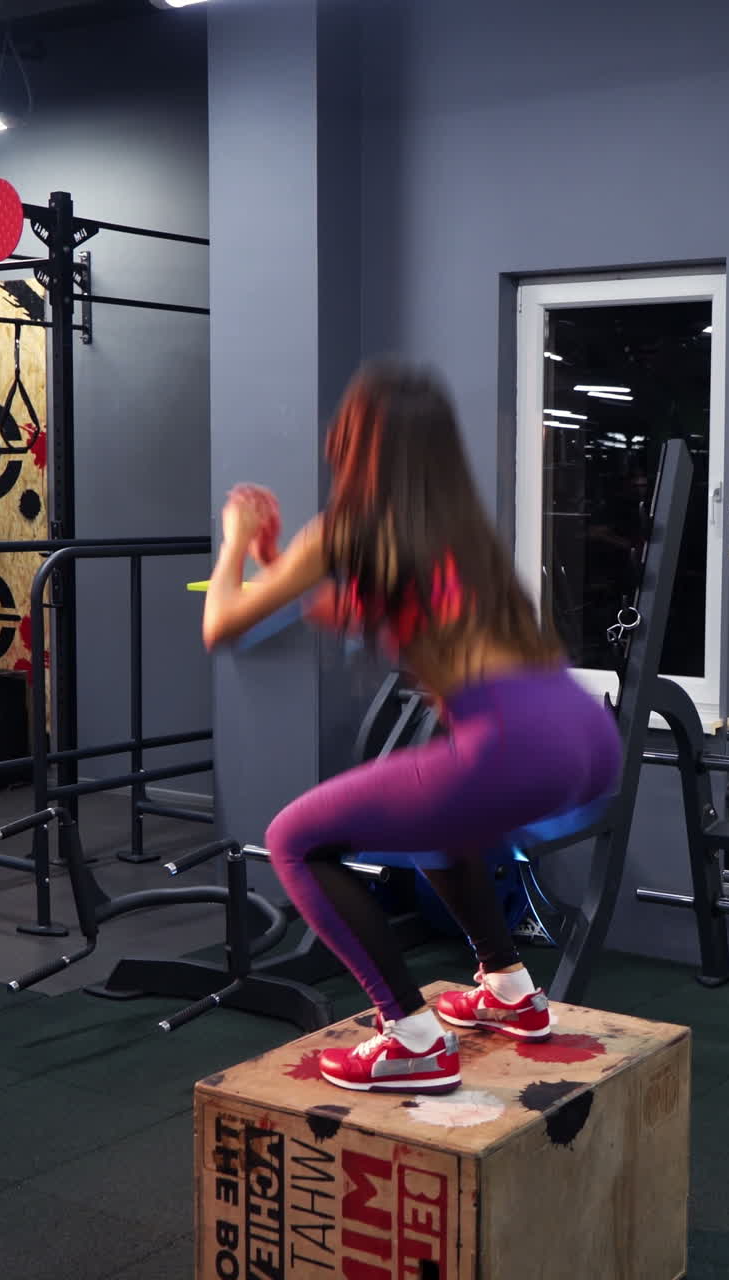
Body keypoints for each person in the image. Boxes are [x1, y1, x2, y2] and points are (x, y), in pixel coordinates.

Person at [203, 359, 622, 1093]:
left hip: (513, 743)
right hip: (585, 733)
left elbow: (223, 624)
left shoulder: (350, 529)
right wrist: (285, 564)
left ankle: (411, 1037)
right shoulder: (463, 535)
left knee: (292, 840)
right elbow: (361, 609)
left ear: (356, 441)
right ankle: (511, 991)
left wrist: (238, 538)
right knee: (431, 826)